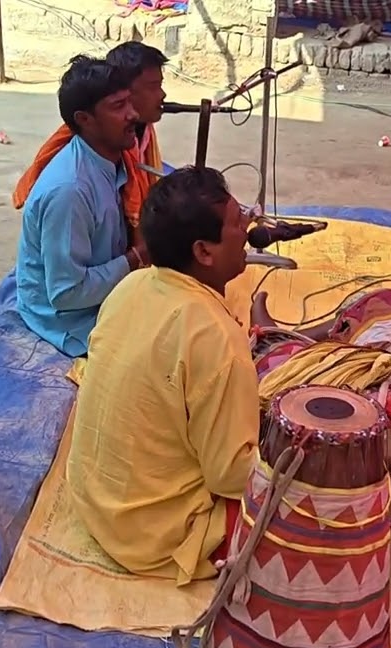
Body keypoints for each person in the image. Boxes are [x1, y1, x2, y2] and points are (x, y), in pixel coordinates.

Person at [66, 166, 257, 586]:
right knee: (315, 505)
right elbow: (230, 475)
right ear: (204, 252)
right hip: (153, 537)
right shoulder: (217, 337)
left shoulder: (131, 287)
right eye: (236, 222)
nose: (247, 229)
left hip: (95, 503)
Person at [15, 56, 143, 357]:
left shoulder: (113, 159)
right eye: (118, 106)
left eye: (130, 102)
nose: (132, 114)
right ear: (84, 119)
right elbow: (66, 293)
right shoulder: (69, 191)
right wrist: (138, 256)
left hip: (102, 292)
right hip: (68, 319)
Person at [12, 41, 169, 235]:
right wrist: (138, 255)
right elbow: (65, 266)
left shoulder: (132, 134)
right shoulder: (71, 188)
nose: (162, 94)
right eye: (153, 87)